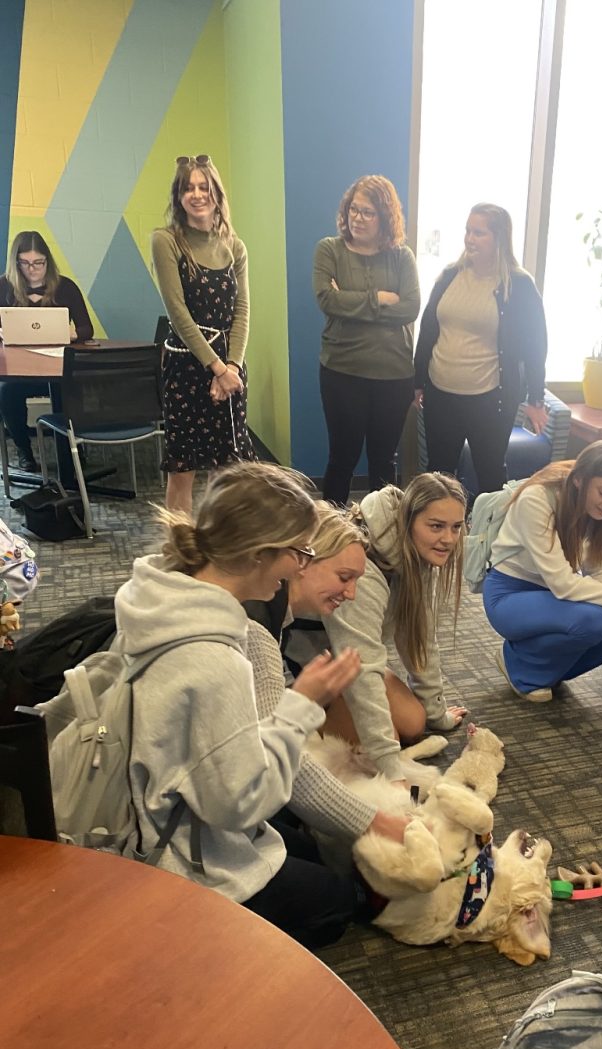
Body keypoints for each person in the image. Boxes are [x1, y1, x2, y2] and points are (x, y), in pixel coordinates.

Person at [114, 460, 365, 948]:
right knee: (336, 902)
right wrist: (301, 706)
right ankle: (208, 950)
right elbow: (239, 803)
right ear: (258, 553)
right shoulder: (217, 657)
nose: (300, 565)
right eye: (298, 551)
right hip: (173, 851)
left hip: (153, 805)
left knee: (308, 851)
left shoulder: (157, 596)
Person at [245, 503, 411, 846]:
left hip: (239, 784)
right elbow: (282, 762)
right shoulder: (255, 629)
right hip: (208, 816)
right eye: (344, 577)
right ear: (302, 562)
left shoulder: (274, 617)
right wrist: (373, 822)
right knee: (333, 889)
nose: (351, 593)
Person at [317, 472, 469, 783]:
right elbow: (362, 670)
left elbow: (421, 639)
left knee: (416, 722)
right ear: (409, 520)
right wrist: (391, 768)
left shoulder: (417, 554)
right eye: (436, 526)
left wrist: (437, 713)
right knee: (381, 744)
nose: (449, 539)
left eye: (456, 527)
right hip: (309, 672)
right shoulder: (365, 569)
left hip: (345, 662)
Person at [482, 440, 602, 703]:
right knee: (593, 621)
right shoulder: (538, 498)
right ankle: (518, 664)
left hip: (554, 599)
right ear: (579, 480)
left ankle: (542, 669)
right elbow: (563, 584)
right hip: (509, 593)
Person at [414, 203, 548, 495]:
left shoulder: (519, 285)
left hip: (490, 399)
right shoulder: (450, 275)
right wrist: (418, 381)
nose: (470, 239)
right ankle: (441, 534)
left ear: (499, 239)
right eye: (468, 231)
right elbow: (428, 329)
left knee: (489, 471)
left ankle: (490, 535)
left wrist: (535, 399)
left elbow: (536, 346)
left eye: (479, 233)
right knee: (439, 474)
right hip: (440, 394)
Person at [152, 155, 255, 514]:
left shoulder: (234, 246)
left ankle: (215, 546)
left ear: (216, 193)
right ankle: (179, 555)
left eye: (203, 187)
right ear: (178, 197)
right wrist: (217, 369)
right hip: (187, 364)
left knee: (226, 468)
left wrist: (233, 368)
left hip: (230, 366)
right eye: (188, 188)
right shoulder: (166, 241)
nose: (196, 195)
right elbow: (177, 313)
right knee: (184, 469)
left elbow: (242, 311)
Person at [313, 175, 420, 505]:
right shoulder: (329, 249)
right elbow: (327, 300)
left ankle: (384, 540)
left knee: (384, 464)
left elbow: (410, 308)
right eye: (353, 210)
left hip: (394, 375)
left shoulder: (402, 257)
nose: (357, 218)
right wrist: (380, 299)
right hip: (343, 372)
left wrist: (351, 301)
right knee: (342, 459)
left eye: (368, 212)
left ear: (385, 217)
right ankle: (330, 539)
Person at [0, 230, 93, 473]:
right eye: (25, 263)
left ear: (47, 261)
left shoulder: (65, 287)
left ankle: (72, 450)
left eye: (38, 263)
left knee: (69, 388)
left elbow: (86, 328)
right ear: (16, 263)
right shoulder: (3, 286)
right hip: (21, 372)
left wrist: (66, 333)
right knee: (7, 393)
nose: (32, 269)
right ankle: (23, 450)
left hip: (58, 368)